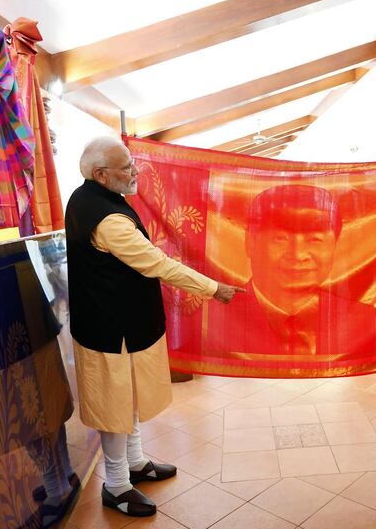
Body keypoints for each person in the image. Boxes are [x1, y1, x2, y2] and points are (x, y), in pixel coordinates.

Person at [65, 136, 243, 517]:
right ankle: (116, 485)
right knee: (114, 404)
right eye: (126, 166)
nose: (134, 171)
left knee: (126, 395)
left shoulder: (96, 199)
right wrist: (213, 288)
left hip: (123, 323)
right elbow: (156, 264)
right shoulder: (106, 217)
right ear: (101, 174)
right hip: (109, 329)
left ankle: (134, 461)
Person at [207, 184, 376, 358]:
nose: (298, 255)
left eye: (314, 240)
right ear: (250, 242)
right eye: (280, 238)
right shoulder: (217, 317)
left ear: (335, 244)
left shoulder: (362, 319)